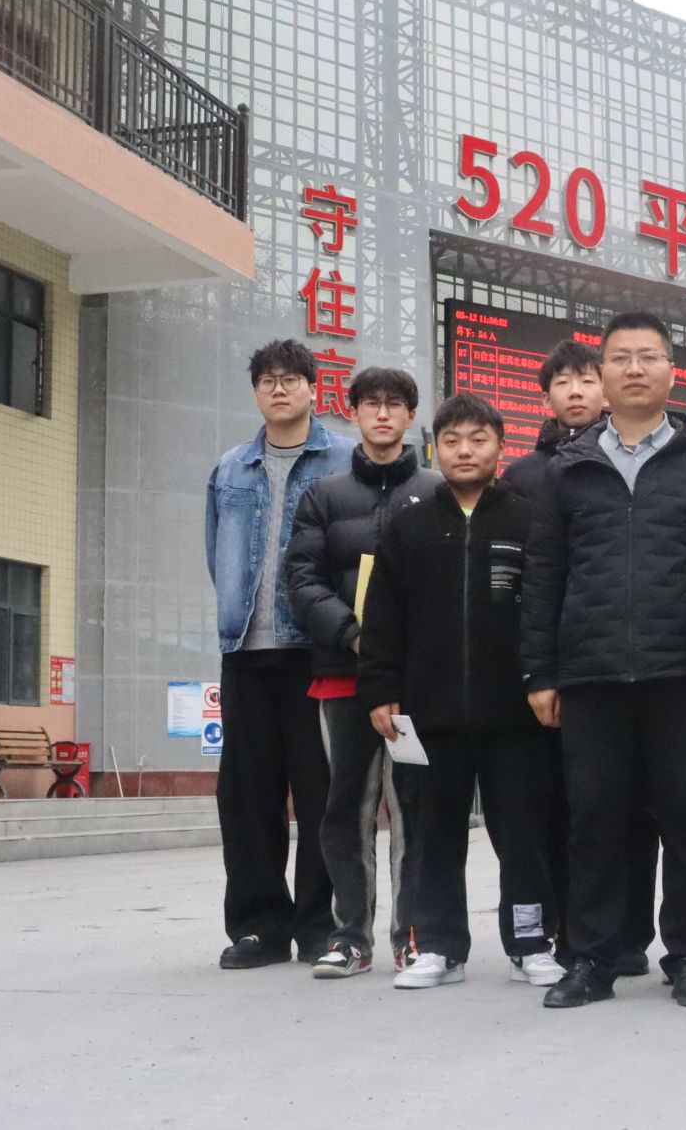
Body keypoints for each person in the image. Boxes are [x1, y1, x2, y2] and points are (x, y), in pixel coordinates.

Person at [522, 311, 686, 1009]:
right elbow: (544, 575)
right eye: (620, 358)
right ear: (602, 374)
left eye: (649, 356)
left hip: (681, 674)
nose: (634, 369)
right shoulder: (568, 469)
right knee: (594, 819)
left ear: (673, 372)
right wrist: (541, 672)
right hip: (592, 672)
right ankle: (592, 957)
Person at [358, 394, 564, 991]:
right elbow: (382, 617)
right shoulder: (410, 526)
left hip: (517, 716)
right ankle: (439, 947)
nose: (465, 451)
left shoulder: (530, 521)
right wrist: (381, 688)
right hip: (431, 716)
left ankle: (531, 943)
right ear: (435, 449)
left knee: (523, 836)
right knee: (432, 836)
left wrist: (546, 679)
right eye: (452, 441)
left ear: (500, 446)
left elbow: (549, 611)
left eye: (478, 439)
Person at [286, 367, 443, 978]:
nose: (382, 414)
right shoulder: (323, 496)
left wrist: (412, 651)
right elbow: (303, 580)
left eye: (394, 404)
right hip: (343, 676)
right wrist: (353, 635)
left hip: (416, 684)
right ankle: (351, 936)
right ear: (352, 412)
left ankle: (414, 936)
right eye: (370, 404)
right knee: (346, 806)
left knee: (414, 808)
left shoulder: (436, 491)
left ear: (410, 415)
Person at [204, 340, 354, 969]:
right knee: (246, 796)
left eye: (291, 379)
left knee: (321, 792)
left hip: (315, 651)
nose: (279, 389)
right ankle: (259, 926)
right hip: (245, 650)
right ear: (256, 393)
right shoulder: (230, 468)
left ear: (313, 389)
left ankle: (319, 925)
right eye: (267, 380)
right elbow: (216, 553)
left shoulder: (343, 460)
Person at [505, 339, 605, 501]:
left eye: (587, 381)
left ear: (606, 394)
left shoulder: (627, 461)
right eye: (563, 382)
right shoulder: (519, 474)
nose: (575, 392)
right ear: (546, 399)